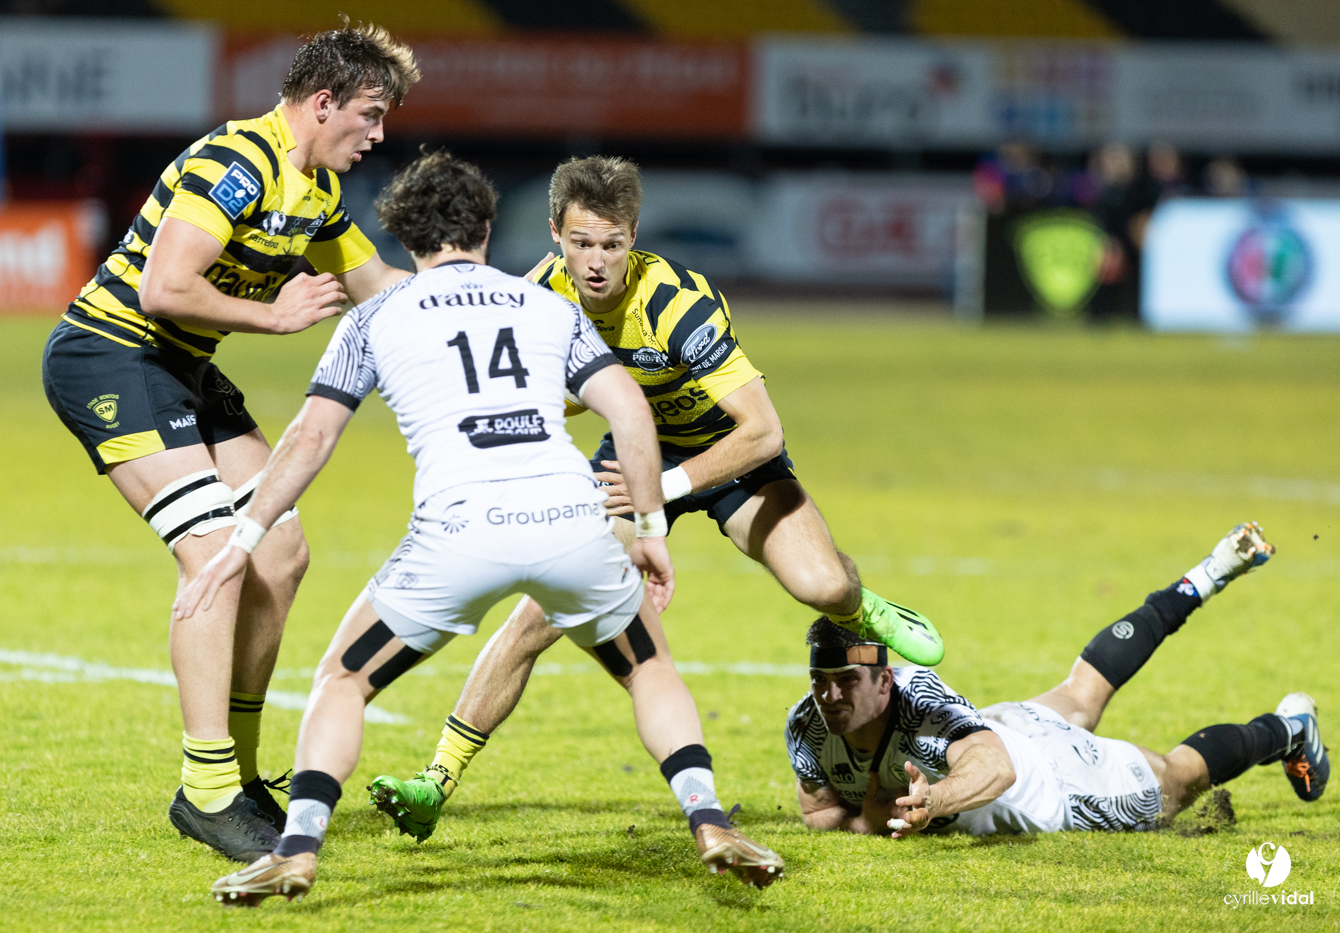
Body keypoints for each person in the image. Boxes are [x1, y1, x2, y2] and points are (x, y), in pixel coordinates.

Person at [171, 150, 784, 905]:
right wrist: (652, 525)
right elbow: (627, 408)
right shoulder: (548, 306)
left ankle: (296, 849)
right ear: (489, 228)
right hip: (570, 523)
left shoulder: (374, 316)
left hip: (458, 534)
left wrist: (241, 541)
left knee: (343, 678)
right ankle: (710, 819)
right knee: (648, 667)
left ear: (403, 237)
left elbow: (309, 439)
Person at [368, 155, 945, 843]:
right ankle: (438, 778)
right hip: (630, 462)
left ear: (634, 237)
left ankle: (864, 605)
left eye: (612, 244)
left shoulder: (677, 302)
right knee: (538, 613)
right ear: (554, 232)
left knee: (821, 584)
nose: (596, 262)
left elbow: (762, 430)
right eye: (582, 243)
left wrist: (663, 488)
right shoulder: (539, 297)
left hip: (725, 460)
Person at [40, 22, 418, 860]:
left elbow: (383, 291)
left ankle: (240, 777)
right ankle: (207, 789)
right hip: (112, 355)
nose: (379, 132)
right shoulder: (236, 162)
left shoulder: (312, 189)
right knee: (215, 550)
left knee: (278, 549)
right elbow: (164, 285)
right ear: (323, 103)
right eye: (370, 112)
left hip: (180, 370)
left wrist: (501, 308)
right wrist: (271, 314)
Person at [789, 523, 1328, 836]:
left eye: (847, 681)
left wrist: (935, 801)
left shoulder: (922, 700)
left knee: (1172, 782)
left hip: (1055, 784)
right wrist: (866, 821)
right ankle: (1210, 572)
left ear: (885, 683)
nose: (829, 696)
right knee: (1081, 690)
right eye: (821, 680)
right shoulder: (805, 725)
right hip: (1010, 723)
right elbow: (821, 812)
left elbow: (994, 768)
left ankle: (1290, 728)